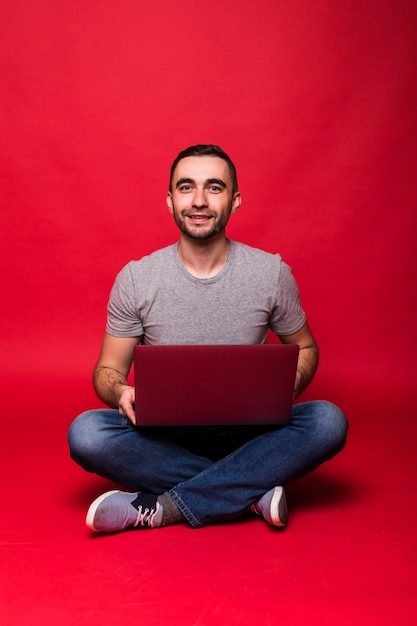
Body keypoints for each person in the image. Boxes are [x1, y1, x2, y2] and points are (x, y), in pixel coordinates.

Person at [68, 144, 348, 533]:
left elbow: (306, 347)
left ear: (234, 201)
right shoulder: (136, 278)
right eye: (186, 187)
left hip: (251, 433)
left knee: (328, 421)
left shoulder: (271, 273)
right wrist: (120, 392)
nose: (199, 201)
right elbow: (107, 370)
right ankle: (250, 490)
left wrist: (288, 385)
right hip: (163, 437)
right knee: (87, 433)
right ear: (170, 200)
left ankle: (165, 507)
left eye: (214, 188)